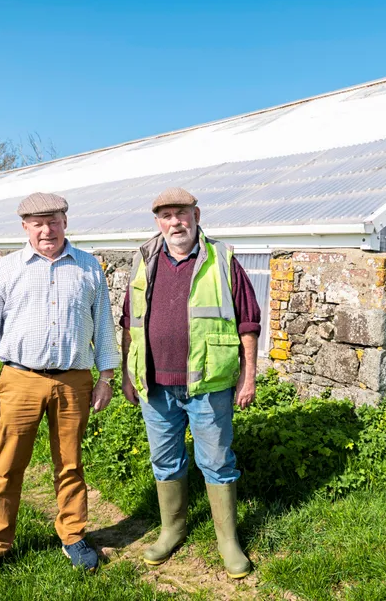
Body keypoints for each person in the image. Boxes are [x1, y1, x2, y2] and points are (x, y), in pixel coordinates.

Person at [0, 192, 119, 587]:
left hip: (73, 380)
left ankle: (74, 536)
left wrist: (106, 377)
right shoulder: (7, 268)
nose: (46, 230)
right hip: (19, 379)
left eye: (53, 221)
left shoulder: (88, 268)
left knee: (69, 463)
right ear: (25, 228)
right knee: (7, 466)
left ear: (66, 222)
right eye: (37, 223)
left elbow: (103, 324)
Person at [120, 187, 261, 579]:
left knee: (216, 462)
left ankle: (227, 542)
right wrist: (128, 372)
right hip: (155, 385)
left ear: (196, 214)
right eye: (166, 215)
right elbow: (129, 320)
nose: (175, 222)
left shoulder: (222, 258)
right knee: (165, 460)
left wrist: (248, 377)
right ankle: (173, 529)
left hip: (208, 384)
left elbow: (249, 324)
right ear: (158, 222)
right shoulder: (145, 258)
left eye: (181, 213)